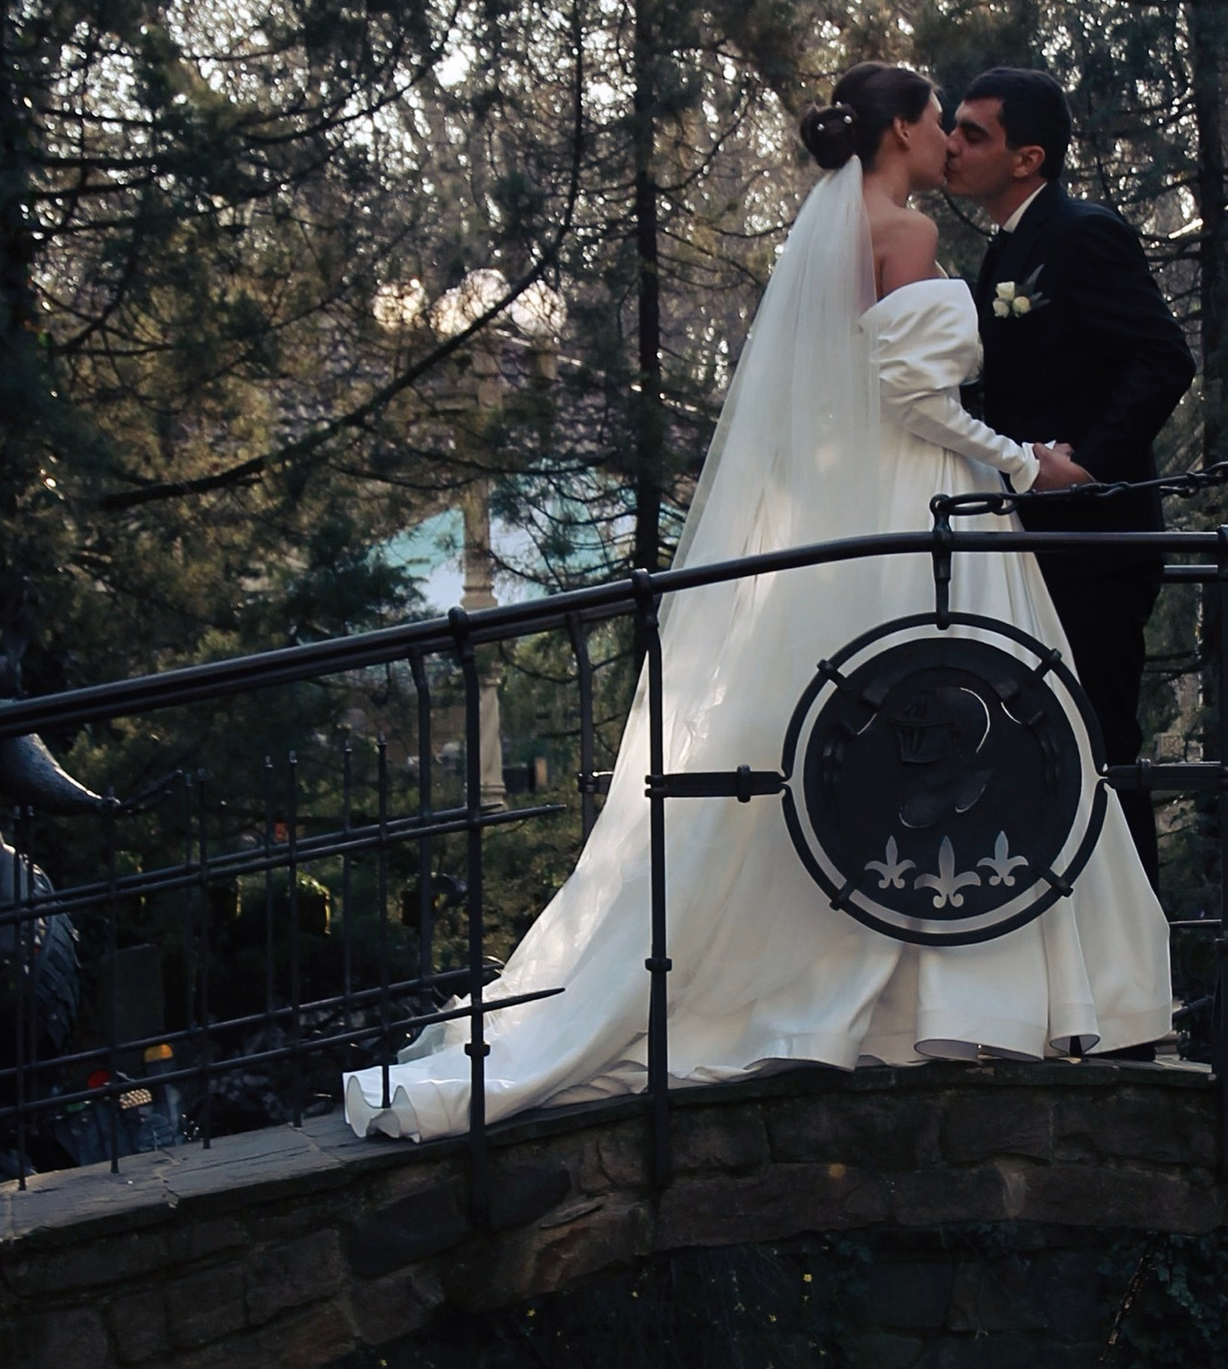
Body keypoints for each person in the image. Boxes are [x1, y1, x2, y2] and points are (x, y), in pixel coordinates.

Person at [345, 64, 1173, 1139]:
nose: (951, 142)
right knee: (975, 721)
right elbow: (912, 393)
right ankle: (996, 992)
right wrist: (1019, 464)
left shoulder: (921, 233)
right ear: (901, 135)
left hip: (947, 507)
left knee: (988, 726)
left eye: (969, 130)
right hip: (938, 497)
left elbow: (949, 380)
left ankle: (924, 979)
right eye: (940, 124)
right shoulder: (913, 238)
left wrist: (1068, 465)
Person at [946, 67, 1197, 879]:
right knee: (1033, 745)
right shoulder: (1005, 250)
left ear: (1028, 157)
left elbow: (1162, 359)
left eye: (973, 133)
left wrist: (1087, 464)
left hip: (1094, 544)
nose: (952, 146)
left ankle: (1135, 962)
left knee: (1099, 743)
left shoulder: (1083, 233)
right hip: (1027, 542)